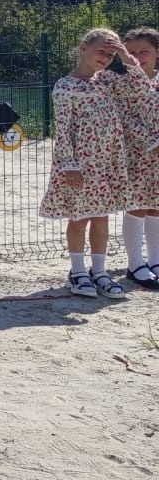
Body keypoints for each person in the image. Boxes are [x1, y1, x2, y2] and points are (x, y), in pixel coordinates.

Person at [38, 27, 152, 298]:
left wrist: (125, 56)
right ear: (83, 48)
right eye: (101, 51)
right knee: (80, 217)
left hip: (108, 162)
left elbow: (141, 88)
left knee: (102, 217)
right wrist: (68, 164)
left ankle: (99, 271)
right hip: (80, 165)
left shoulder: (108, 80)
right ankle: (78, 272)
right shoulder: (66, 86)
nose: (105, 58)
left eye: (110, 54)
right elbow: (63, 129)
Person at [119, 27, 159, 288]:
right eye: (131, 52)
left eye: (144, 51)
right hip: (136, 154)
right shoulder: (122, 84)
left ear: (157, 52)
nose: (137, 57)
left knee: (156, 206)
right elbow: (124, 118)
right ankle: (135, 264)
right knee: (137, 206)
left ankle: (155, 261)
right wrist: (152, 142)